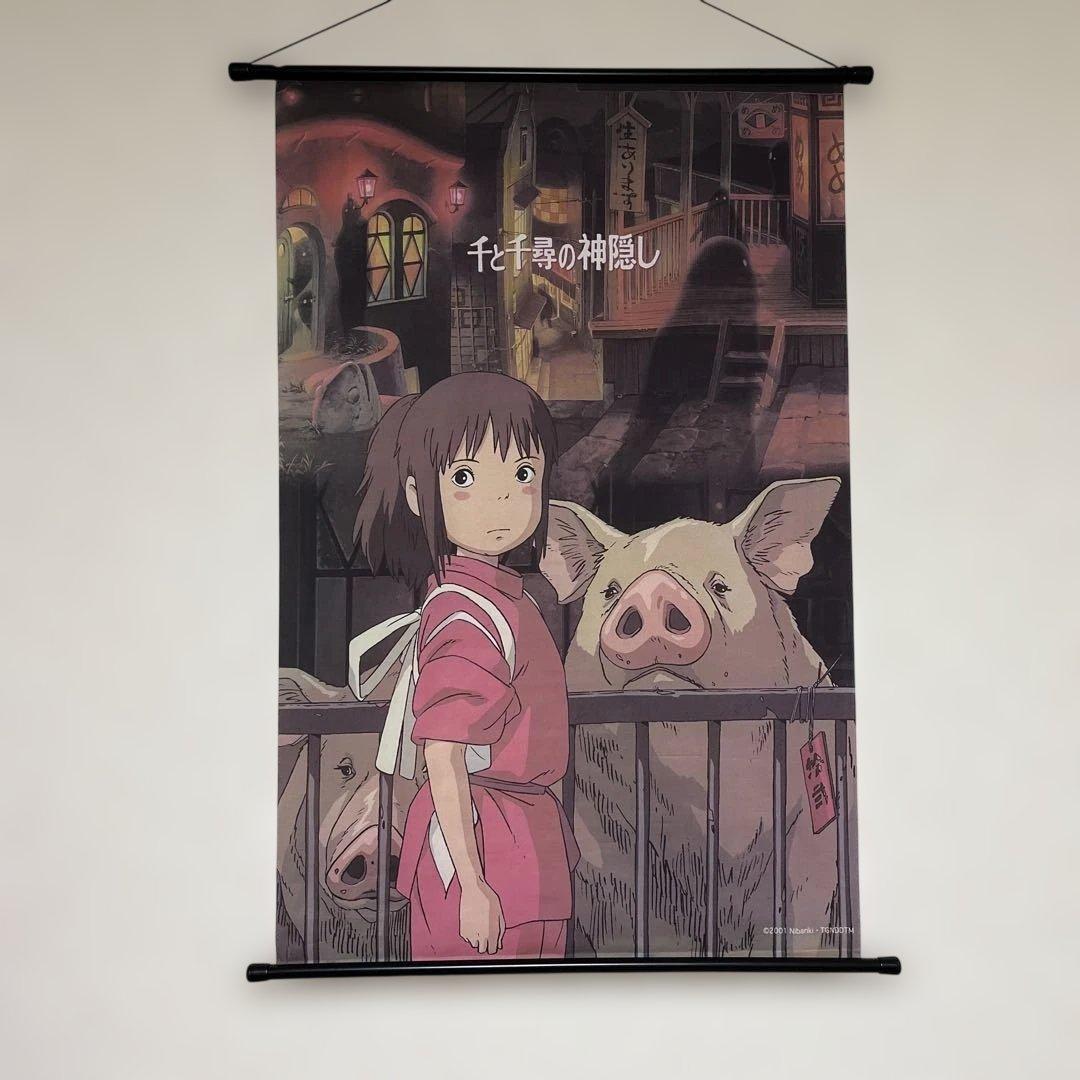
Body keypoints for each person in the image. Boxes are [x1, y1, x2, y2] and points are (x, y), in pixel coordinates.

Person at [352, 372, 578, 960]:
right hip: (482, 847)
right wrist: (474, 887)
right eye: (465, 478)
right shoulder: (466, 614)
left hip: (520, 842)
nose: (502, 499)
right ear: (416, 494)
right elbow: (444, 754)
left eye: (523, 473)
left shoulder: (495, 598)